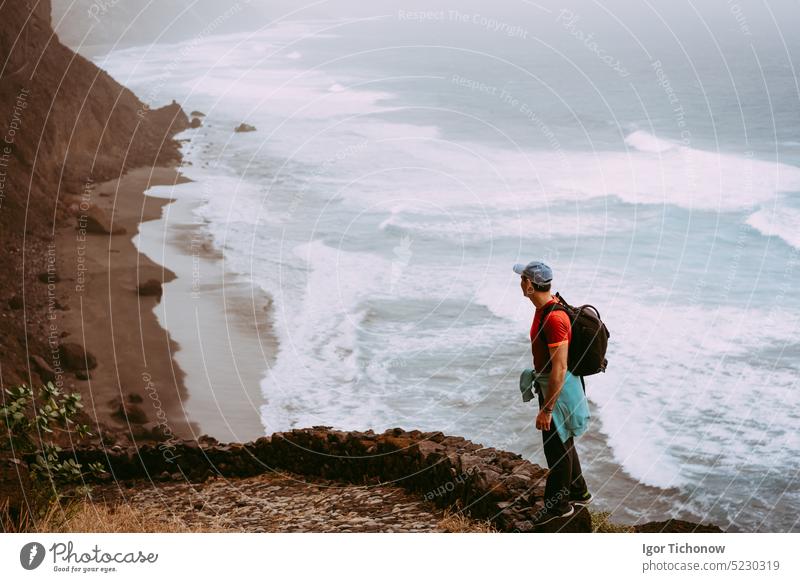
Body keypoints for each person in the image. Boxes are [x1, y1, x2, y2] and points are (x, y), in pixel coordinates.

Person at [513, 260, 592, 526]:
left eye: (522, 278)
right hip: (554, 384)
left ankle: (560, 507)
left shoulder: (554, 318)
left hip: (558, 389)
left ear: (528, 284)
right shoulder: (546, 307)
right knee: (564, 440)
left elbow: (559, 367)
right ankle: (579, 491)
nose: (519, 283)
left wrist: (547, 409)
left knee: (555, 450)